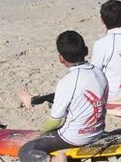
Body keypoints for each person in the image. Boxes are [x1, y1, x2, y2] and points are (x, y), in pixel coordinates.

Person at [18, 31, 108, 162]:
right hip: (98, 132)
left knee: (27, 150)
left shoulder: (67, 81)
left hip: (74, 138)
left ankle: (55, 160)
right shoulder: (99, 72)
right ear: (86, 51)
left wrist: (42, 133)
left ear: (60, 58)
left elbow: (55, 121)